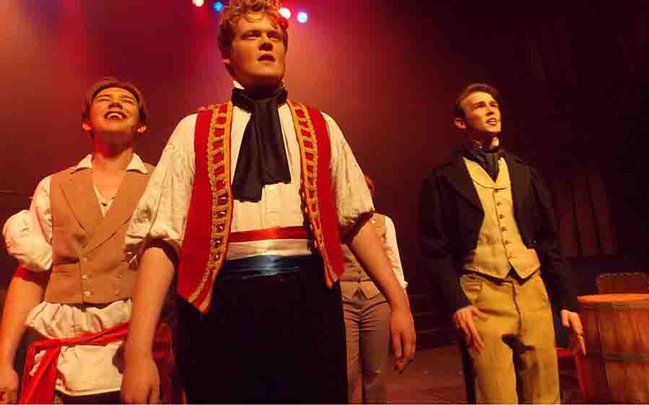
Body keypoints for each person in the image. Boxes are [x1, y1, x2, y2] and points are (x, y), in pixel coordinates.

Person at [119, 0, 415, 403]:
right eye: (251, 35)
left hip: (309, 300)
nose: (265, 43)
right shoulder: (195, 130)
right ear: (226, 55)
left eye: (274, 36)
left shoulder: (321, 126)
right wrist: (138, 353)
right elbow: (162, 239)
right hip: (219, 304)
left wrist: (399, 303)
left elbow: (357, 220)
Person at [418, 82, 585, 403]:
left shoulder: (525, 173)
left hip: (532, 290)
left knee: (546, 393)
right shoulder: (442, 178)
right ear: (460, 122)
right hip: (481, 294)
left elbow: (549, 242)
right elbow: (434, 249)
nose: (490, 109)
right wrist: (456, 303)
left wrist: (566, 301)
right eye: (479, 106)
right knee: (495, 396)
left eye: (493, 104)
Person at [0, 78, 153, 403]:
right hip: (63, 357)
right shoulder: (53, 187)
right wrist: (3, 362)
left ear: (141, 125)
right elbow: (31, 274)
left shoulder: (161, 183)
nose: (115, 103)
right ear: (86, 122)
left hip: (134, 355)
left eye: (126, 100)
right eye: (105, 99)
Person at [341, 175, 408, 403]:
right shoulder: (338, 219)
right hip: (344, 298)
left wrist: (404, 309)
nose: (365, 190)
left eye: (368, 187)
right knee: (347, 372)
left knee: (376, 371)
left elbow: (395, 266)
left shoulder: (383, 222)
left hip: (376, 299)